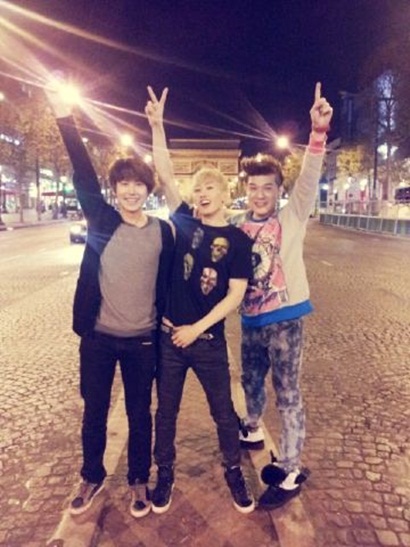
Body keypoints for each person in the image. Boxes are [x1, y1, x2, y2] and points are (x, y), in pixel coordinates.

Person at [45, 82, 174, 519]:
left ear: (148, 190)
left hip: (142, 341)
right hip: (98, 339)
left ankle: (139, 478)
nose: (131, 191)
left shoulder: (163, 232)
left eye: (138, 185)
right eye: (124, 184)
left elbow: (175, 280)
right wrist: (65, 116)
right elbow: (82, 172)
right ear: (115, 189)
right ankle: (92, 475)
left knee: (140, 415)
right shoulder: (101, 219)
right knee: (94, 412)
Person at [145, 86, 255, 514]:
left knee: (224, 413)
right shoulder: (185, 221)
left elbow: (236, 294)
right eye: (197, 188)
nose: (202, 193)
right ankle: (165, 473)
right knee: (165, 413)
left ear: (225, 193)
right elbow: (164, 173)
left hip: (207, 341)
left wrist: (198, 329)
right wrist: (157, 126)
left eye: (210, 187)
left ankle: (233, 470)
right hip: (170, 337)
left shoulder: (238, 240)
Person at [232, 82, 333, 509]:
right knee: (251, 382)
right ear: (246, 189)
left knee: (287, 392)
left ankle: (290, 468)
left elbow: (308, 180)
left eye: (268, 187)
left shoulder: (292, 217)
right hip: (250, 320)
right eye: (254, 187)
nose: (260, 194)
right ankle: (252, 427)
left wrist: (318, 133)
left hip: (286, 318)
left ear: (278, 190)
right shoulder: (236, 227)